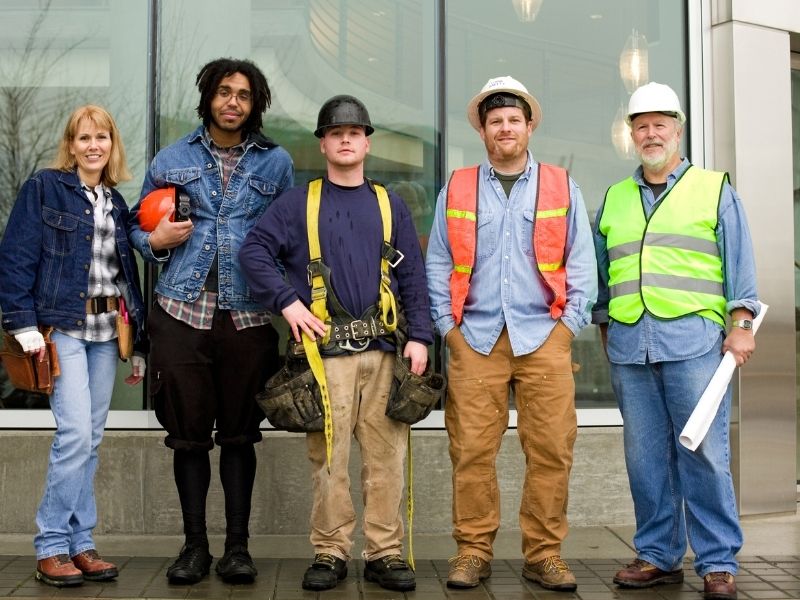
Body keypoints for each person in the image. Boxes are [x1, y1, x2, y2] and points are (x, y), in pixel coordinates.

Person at [239, 95, 433, 593]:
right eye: (336, 132)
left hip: (386, 353)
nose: (346, 138)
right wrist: (287, 302)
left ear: (367, 142)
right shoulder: (297, 203)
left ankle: (384, 554)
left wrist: (422, 338)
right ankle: (330, 551)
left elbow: (413, 279)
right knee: (328, 460)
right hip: (325, 358)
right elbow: (254, 251)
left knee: (387, 458)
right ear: (323, 143)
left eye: (355, 132)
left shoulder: (391, 204)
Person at [425, 76, 597, 592]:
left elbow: (582, 264)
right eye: (494, 120)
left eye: (513, 120)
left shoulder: (562, 186)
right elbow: (438, 261)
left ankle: (544, 554)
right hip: (474, 339)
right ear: (483, 130)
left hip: (545, 337)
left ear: (528, 127)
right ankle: (473, 552)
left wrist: (566, 330)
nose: (505, 128)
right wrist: (447, 331)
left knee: (550, 451)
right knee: (472, 453)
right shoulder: (456, 186)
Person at [128, 58, 293, 585]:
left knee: (240, 435)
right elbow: (137, 225)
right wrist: (153, 243)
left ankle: (237, 550)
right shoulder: (172, 157)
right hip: (181, 311)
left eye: (243, 95)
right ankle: (195, 547)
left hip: (247, 317)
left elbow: (290, 236)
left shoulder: (277, 163)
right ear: (208, 97)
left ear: (255, 104)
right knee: (189, 435)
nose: (232, 102)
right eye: (224, 92)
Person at [593, 82, 759, 600]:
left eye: (659, 124)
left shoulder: (713, 189)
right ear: (631, 135)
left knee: (704, 455)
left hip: (695, 343)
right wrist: (605, 327)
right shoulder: (615, 198)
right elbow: (604, 277)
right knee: (644, 458)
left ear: (678, 130)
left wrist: (743, 325)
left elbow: (741, 268)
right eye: (641, 125)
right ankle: (659, 554)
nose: (650, 133)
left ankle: (717, 561)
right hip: (629, 346)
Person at [0, 105, 146, 587]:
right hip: (62, 328)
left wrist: (138, 342)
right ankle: (50, 547)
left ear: (112, 144)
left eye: (101, 137)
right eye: (83, 137)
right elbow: (16, 258)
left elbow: (127, 278)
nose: (93, 146)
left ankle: (81, 544)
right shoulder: (44, 188)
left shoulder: (117, 203)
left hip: (107, 335)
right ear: (71, 144)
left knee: (92, 439)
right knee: (75, 437)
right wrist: (22, 324)